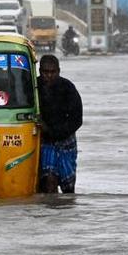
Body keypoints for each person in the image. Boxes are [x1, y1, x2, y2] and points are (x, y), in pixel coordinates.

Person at [36, 54, 83, 194]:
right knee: (48, 180)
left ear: (59, 71)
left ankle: (65, 213)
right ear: (40, 71)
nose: (49, 76)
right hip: (45, 142)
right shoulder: (34, 88)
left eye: (53, 72)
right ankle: (51, 213)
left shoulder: (68, 88)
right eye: (45, 72)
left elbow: (77, 119)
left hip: (66, 140)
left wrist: (54, 131)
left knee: (68, 186)